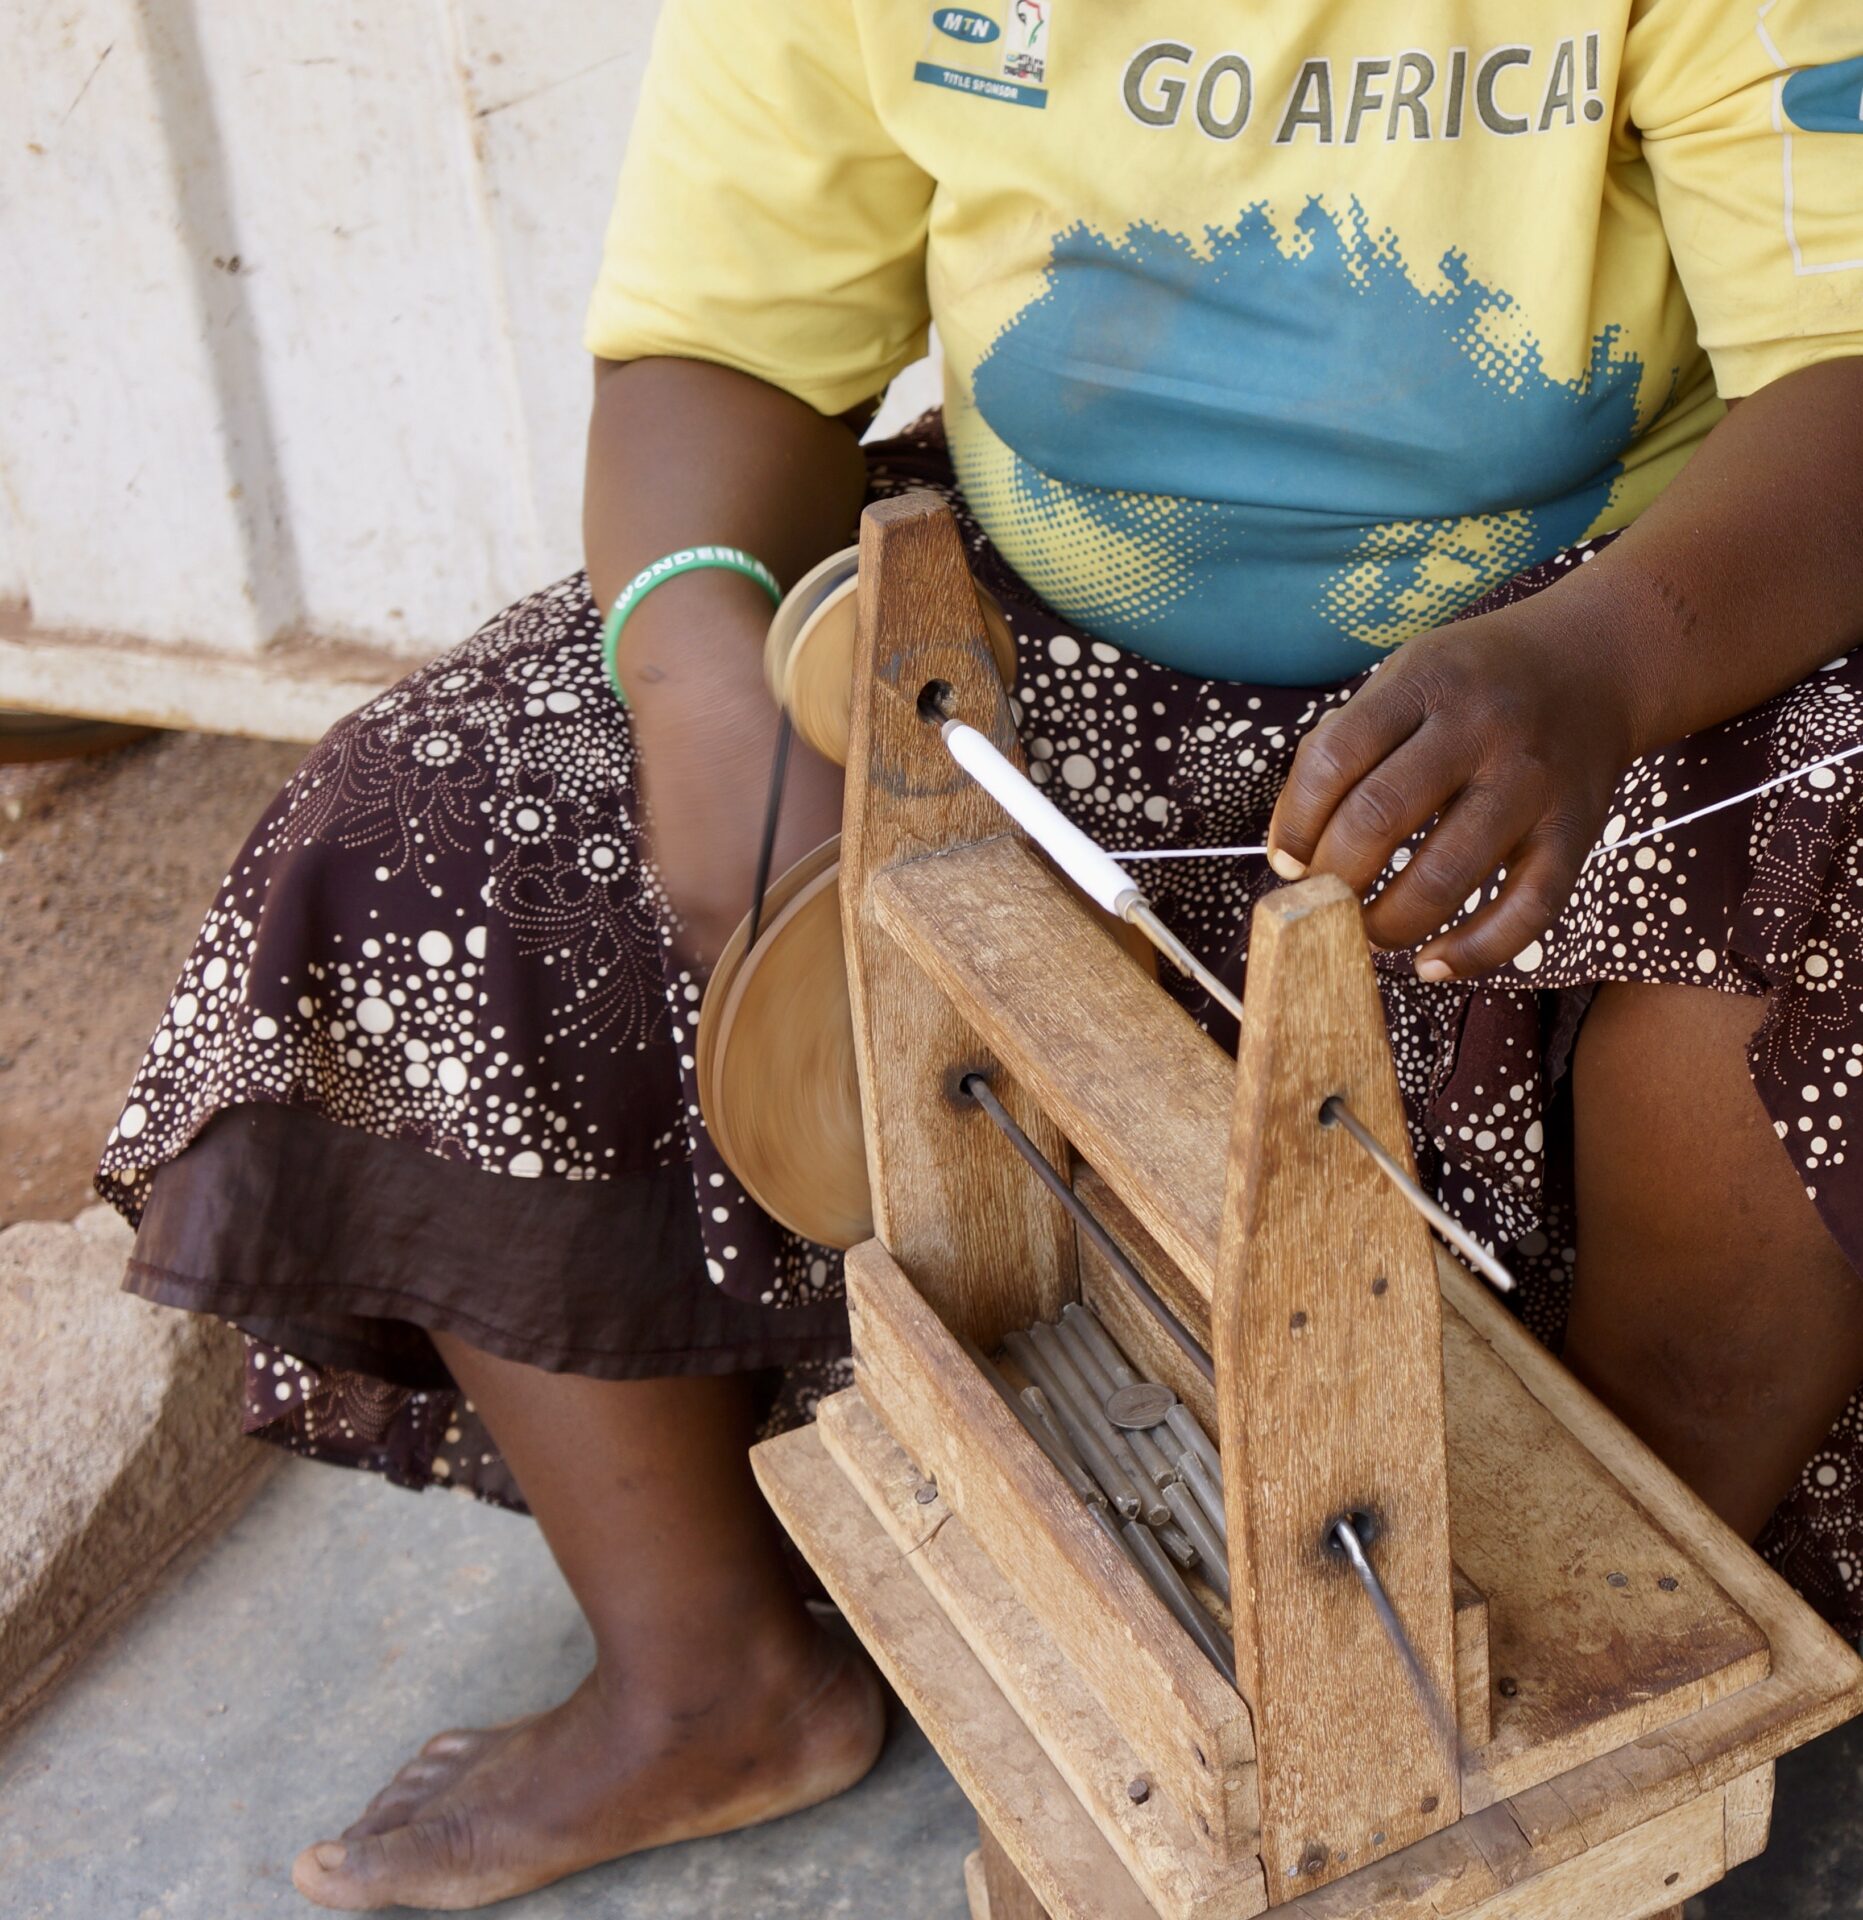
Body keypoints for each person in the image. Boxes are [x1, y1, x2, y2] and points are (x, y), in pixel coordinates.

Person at [97, 0, 1863, 1908]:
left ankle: (1617, 1644)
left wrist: (1606, 660)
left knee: (1842, 858)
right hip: (1037, 674)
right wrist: (704, 687)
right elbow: (723, 334)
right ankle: (711, 1681)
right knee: (431, 818)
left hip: (1560, 660)